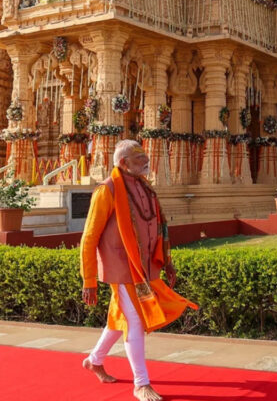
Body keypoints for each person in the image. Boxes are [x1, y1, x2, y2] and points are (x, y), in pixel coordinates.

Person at [80, 140, 197, 401]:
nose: (146, 161)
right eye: (139, 158)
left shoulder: (145, 187)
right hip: (122, 269)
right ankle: (141, 383)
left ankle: (94, 360)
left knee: (119, 319)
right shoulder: (107, 190)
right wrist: (89, 279)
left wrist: (167, 261)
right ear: (123, 163)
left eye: (144, 156)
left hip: (145, 268)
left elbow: (157, 227)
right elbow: (89, 237)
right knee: (135, 321)